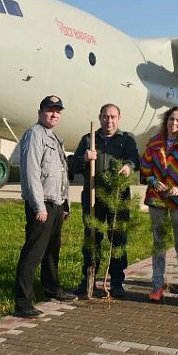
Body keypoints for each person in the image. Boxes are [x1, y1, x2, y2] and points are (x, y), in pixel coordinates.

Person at [13, 95, 76, 318]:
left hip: (56, 203)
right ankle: (23, 301)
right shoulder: (34, 135)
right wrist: (39, 206)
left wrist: (64, 204)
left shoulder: (54, 137)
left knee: (52, 250)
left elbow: (61, 174)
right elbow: (31, 173)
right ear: (40, 112)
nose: (54, 114)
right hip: (42, 205)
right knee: (34, 251)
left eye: (58, 111)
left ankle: (52, 289)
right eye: (50, 110)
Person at [71, 104, 140, 298]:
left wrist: (128, 166)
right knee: (92, 238)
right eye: (105, 116)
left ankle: (117, 281)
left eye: (113, 117)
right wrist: (84, 158)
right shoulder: (88, 139)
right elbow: (74, 166)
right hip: (93, 196)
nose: (109, 121)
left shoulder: (126, 139)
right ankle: (88, 280)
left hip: (118, 197)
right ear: (100, 117)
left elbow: (135, 159)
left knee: (117, 239)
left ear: (119, 118)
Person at [140, 106, 178, 305]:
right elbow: (145, 168)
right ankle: (157, 286)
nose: (173, 123)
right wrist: (152, 181)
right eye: (171, 119)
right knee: (159, 243)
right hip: (157, 198)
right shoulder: (154, 143)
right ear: (165, 120)